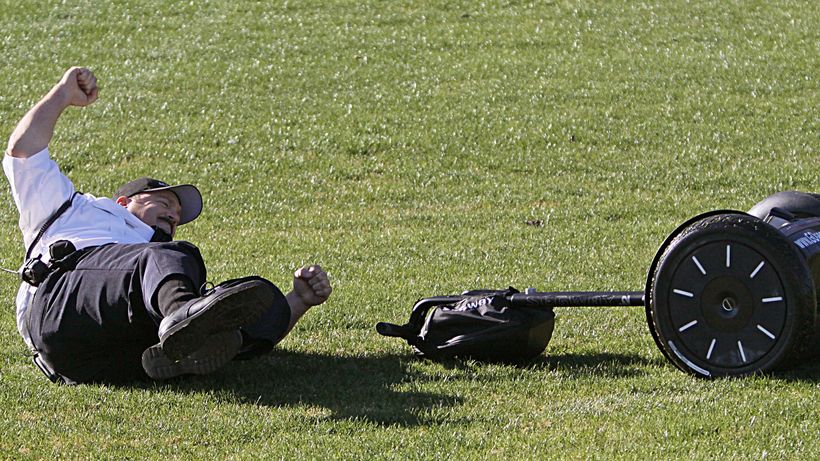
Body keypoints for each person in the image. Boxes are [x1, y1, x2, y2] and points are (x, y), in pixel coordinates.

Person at [3, 67, 332, 384]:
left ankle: (189, 341)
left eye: (177, 214)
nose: (174, 216)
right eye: (163, 203)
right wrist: (62, 95)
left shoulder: (159, 267)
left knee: (242, 296)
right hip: (59, 306)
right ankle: (181, 320)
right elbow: (23, 152)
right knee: (166, 259)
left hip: (106, 360)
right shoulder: (74, 209)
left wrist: (299, 300)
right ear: (124, 203)